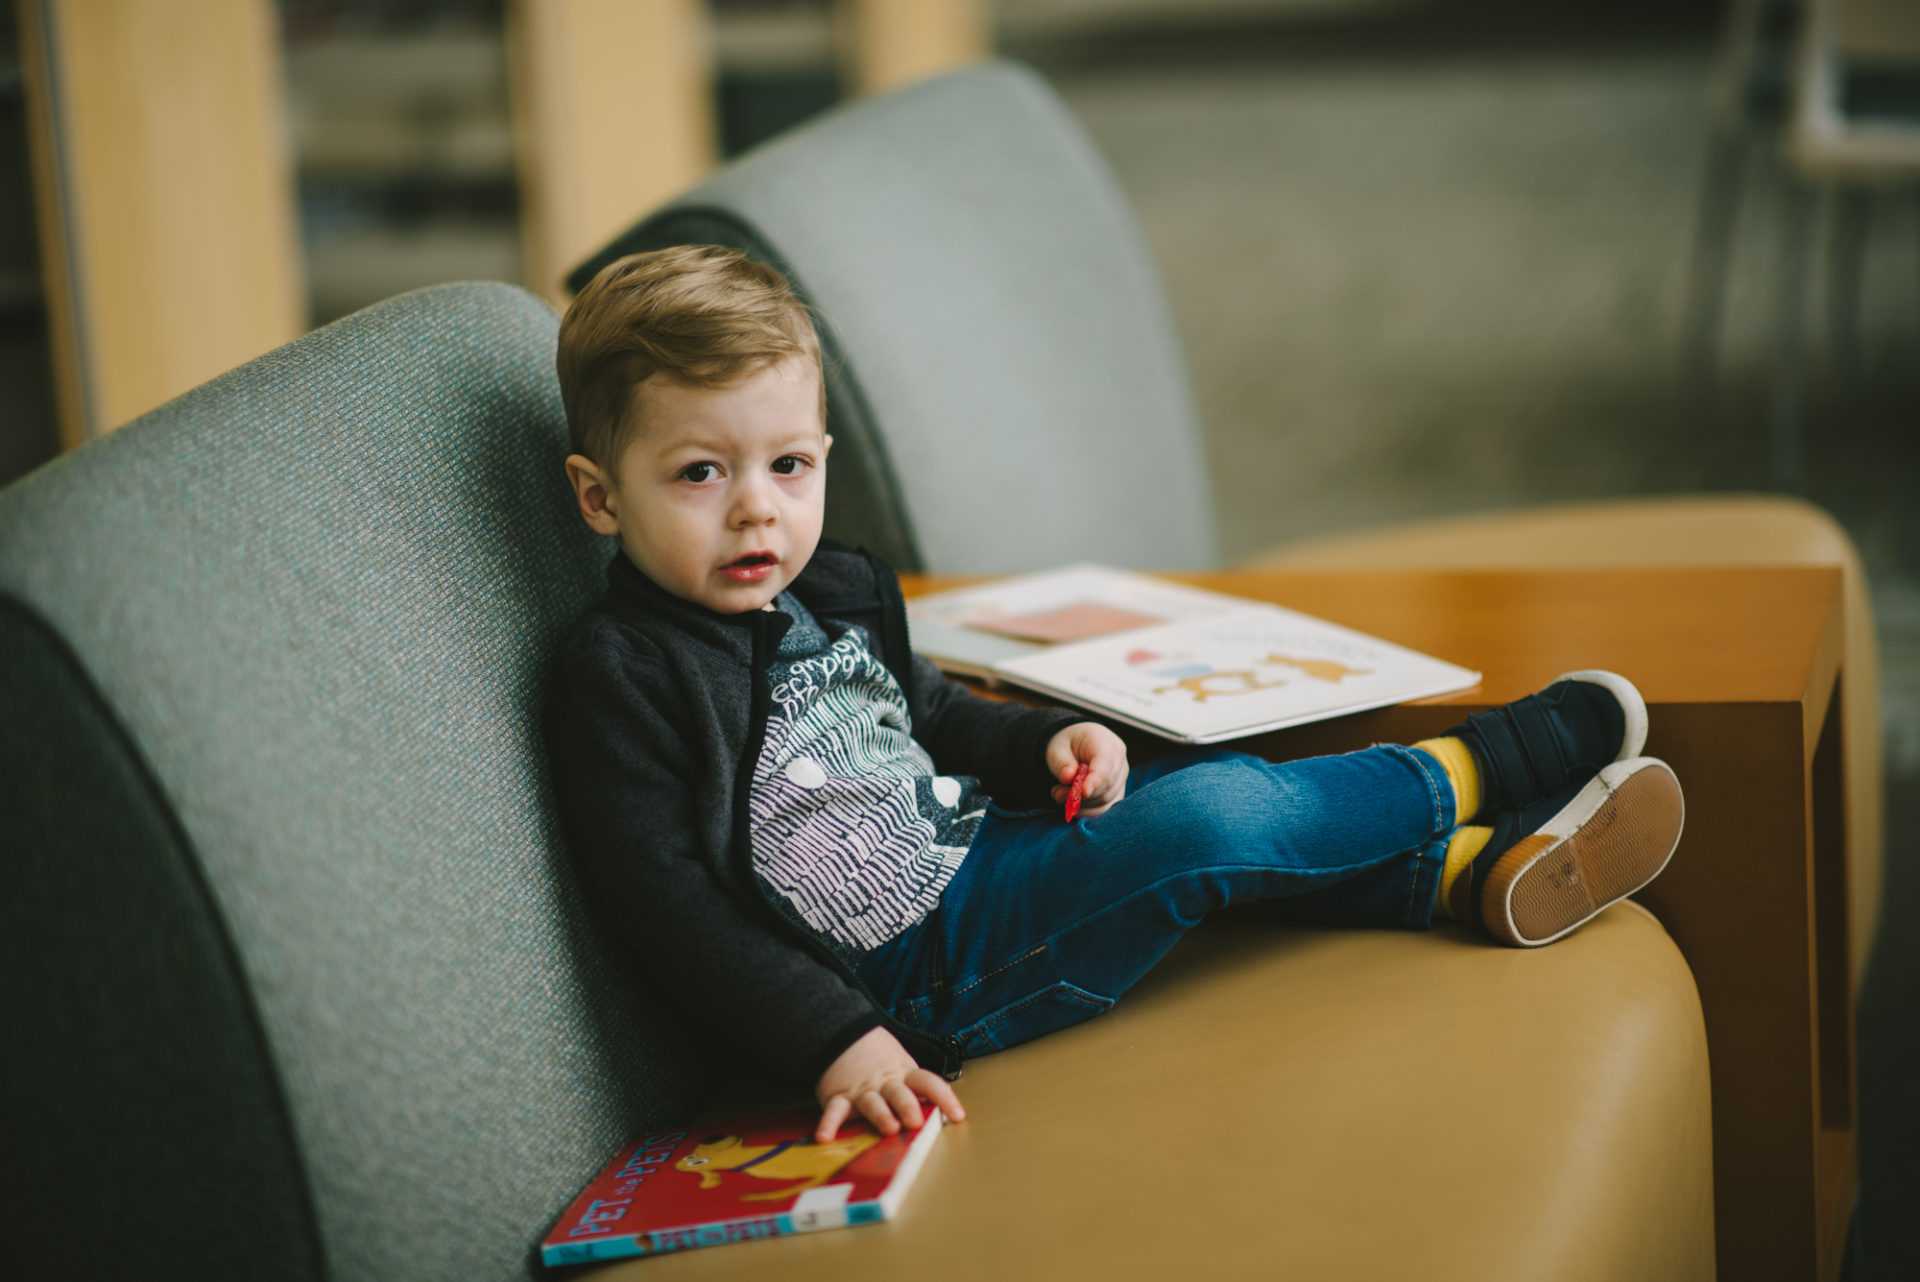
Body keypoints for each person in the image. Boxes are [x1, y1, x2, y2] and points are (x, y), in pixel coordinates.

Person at [542, 244, 1685, 1147]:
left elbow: (935, 718)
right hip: (923, 972)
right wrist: (838, 1038)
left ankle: (1464, 877)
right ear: (599, 497)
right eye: (701, 473)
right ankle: (1479, 764)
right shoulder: (622, 675)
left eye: (788, 466)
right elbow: (671, 907)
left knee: (1184, 788)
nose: (758, 512)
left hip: (984, 843)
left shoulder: (831, 585)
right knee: (1206, 823)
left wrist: (1044, 741)